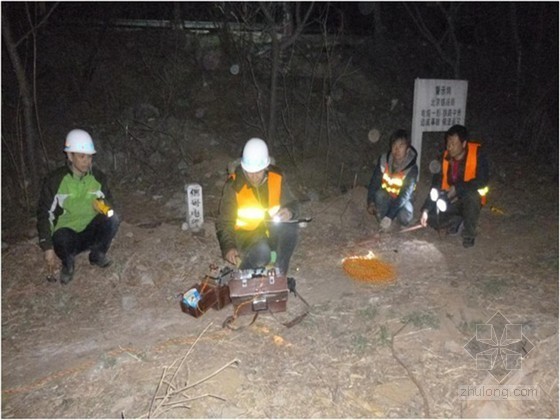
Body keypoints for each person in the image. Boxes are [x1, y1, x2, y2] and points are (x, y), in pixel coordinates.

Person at [37, 129, 120, 284]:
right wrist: (47, 247)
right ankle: (68, 264)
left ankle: (97, 254)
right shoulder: (56, 181)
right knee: (61, 237)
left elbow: (109, 204)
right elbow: (45, 213)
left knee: (113, 218)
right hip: (68, 236)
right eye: (81, 156)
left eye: (89, 156)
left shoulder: (97, 178)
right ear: (70, 156)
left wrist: (104, 208)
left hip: (90, 231)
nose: (86, 161)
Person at [216, 137, 299, 276]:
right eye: (249, 172)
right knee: (262, 253)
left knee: (291, 229)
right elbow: (224, 221)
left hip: (272, 230)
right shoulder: (234, 186)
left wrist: (290, 211)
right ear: (243, 167)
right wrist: (228, 247)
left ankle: (279, 274)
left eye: (258, 171)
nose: (254, 176)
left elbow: (293, 203)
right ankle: (245, 271)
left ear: (266, 167)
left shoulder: (276, 178)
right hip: (246, 236)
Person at [419, 124, 489, 248]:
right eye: (448, 142)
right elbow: (435, 186)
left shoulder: (477, 154)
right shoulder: (445, 157)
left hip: (470, 200)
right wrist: (425, 209)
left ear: (463, 144)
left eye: (453, 143)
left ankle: (469, 234)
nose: (449, 146)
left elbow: (482, 180)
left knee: (471, 196)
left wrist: (458, 188)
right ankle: (457, 222)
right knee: (430, 217)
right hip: (451, 200)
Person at [367, 129, 419, 232]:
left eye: (401, 146)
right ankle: (385, 220)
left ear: (407, 150)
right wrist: (371, 201)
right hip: (386, 196)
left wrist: (389, 216)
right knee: (379, 195)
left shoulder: (412, 168)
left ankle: (392, 219)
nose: (397, 149)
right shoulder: (384, 161)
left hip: (403, 201)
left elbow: (404, 195)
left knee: (405, 216)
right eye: (394, 145)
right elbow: (374, 182)